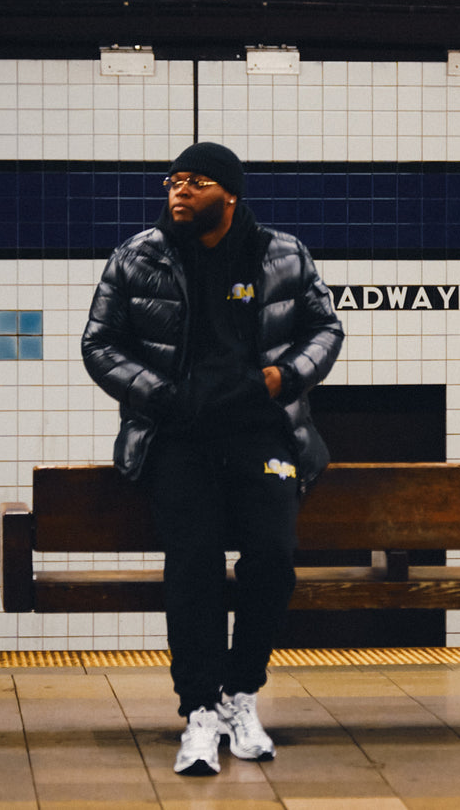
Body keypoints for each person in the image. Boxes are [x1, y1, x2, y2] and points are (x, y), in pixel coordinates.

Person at [82, 141, 344, 775]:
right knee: (193, 565)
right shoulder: (137, 257)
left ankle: (240, 694)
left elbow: (326, 329)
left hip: (263, 434)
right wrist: (161, 396)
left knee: (273, 559)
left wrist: (283, 378)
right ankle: (200, 710)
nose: (179, 190)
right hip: (177, 437)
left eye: (195, 181)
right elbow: (100, 344)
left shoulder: (283, 254)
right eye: (173, 180)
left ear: (229, 194)